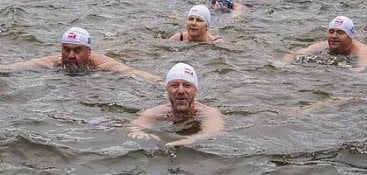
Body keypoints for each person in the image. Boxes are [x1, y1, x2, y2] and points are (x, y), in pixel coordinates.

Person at [0, 27, 163, 83]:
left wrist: (162, 82)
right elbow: (19, 67)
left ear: (89, 52)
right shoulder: (55, 61)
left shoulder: (101, 65)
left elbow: (133, 72)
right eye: (66, 49)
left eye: (77, 50)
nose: (70, 55)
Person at [128, 62, 224, 147]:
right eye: (175, 85)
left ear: (195, 90)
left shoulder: (208, 113)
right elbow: (134, 126)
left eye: (187, 85)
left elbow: (212, 132)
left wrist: (192, 139)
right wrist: (138, 132)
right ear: (167, 89)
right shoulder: (157, 112)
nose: (181, 90)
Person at [277, 16, 367, 71]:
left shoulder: (362, 50)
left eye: (340, 32)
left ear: (350, 36)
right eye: (331, 32)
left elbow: (365, 63)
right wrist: (282, 63)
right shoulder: (323, 45)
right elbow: (296, 54)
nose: (334, 36)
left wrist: (359, 69)